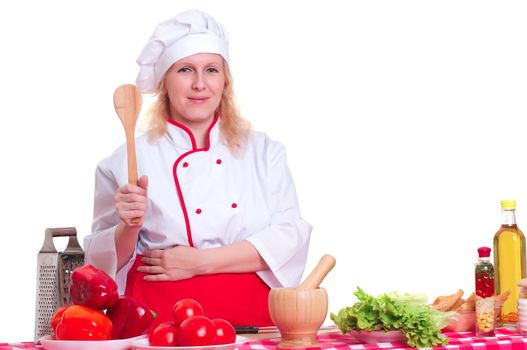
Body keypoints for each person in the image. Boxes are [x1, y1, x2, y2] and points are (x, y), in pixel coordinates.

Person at [84, 9, 311, 327]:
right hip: (161, 323)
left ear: (225, 80)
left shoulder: (264, 152)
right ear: (165, 81)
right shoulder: (123, 163)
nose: (200, 84)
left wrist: (199, 263)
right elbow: (101, 268)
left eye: (212, 70)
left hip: (256, 320)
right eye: (185, 70)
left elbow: (289, 240)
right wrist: (129, 226)